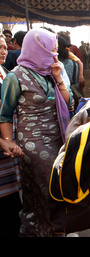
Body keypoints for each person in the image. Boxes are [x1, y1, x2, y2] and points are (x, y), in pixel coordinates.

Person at [0, 28, 73, 236]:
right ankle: (46, 228)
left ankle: (49, 228)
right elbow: (5, 114)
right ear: (37, 49)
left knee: (50, 188)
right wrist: (8, 141)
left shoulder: (50, 71)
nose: (55, 54)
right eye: (51, 50)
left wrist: (59, 78)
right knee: (50, 187)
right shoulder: (15, 77)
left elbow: (68, 104)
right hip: (33, 142)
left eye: (56, 50)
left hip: (57, 138)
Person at [0, 34, 22, 237]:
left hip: (6, 153)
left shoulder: (5, 73)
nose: (3, 51)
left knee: (10, 202)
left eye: (5, 47)